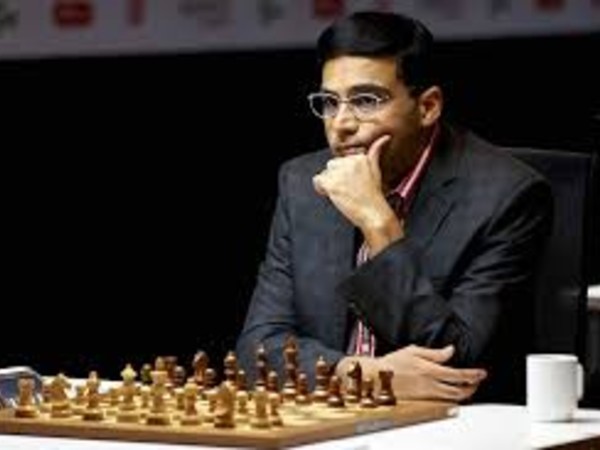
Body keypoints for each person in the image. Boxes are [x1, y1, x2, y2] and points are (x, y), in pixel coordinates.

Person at [236, 11, 552, 403]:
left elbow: (460, 365)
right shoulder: (303, 184)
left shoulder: (507, 196)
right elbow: (256, 349)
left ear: (428, 106)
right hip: (331, 415)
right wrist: (363, 376)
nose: (342, 123)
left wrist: (378, 222)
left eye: (366, 101)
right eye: (330, 103)